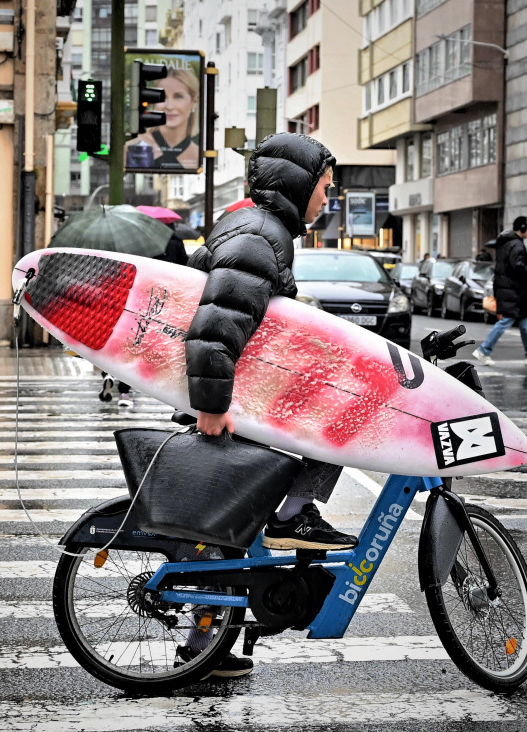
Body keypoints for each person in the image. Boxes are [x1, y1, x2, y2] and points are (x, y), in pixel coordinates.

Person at [180, 132, 349, 678]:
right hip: (230, 398)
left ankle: (205, 649)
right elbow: (217, 323)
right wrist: (211, 403)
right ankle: (294, 513)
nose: (329, 198)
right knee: (344, 413)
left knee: (226, 536)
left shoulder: (256, 228)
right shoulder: (260, 235)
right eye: (325, 186)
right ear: (300, 185)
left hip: (240, 392)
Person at [110, 223, 190, 408]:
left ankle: (124, 388)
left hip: (146, 301)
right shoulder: (176, 242)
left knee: (134, 342)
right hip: (170, 301)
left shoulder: (139, 245)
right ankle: (177, 394)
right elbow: (186, 269)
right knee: (172, 345)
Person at [472, 216, 527, 367]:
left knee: (525, 323)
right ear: (523, 228)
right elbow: (518, 268)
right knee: (506, 320)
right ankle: (484, 350)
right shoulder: (517, 245)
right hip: (514, 291)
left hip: (510, 289)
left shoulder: (506, 243)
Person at [122, 68, 201, 170]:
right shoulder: (132, 147)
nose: (169, 106)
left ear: (194, 102)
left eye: (178, 97)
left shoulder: (198, 156)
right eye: (162, 97)